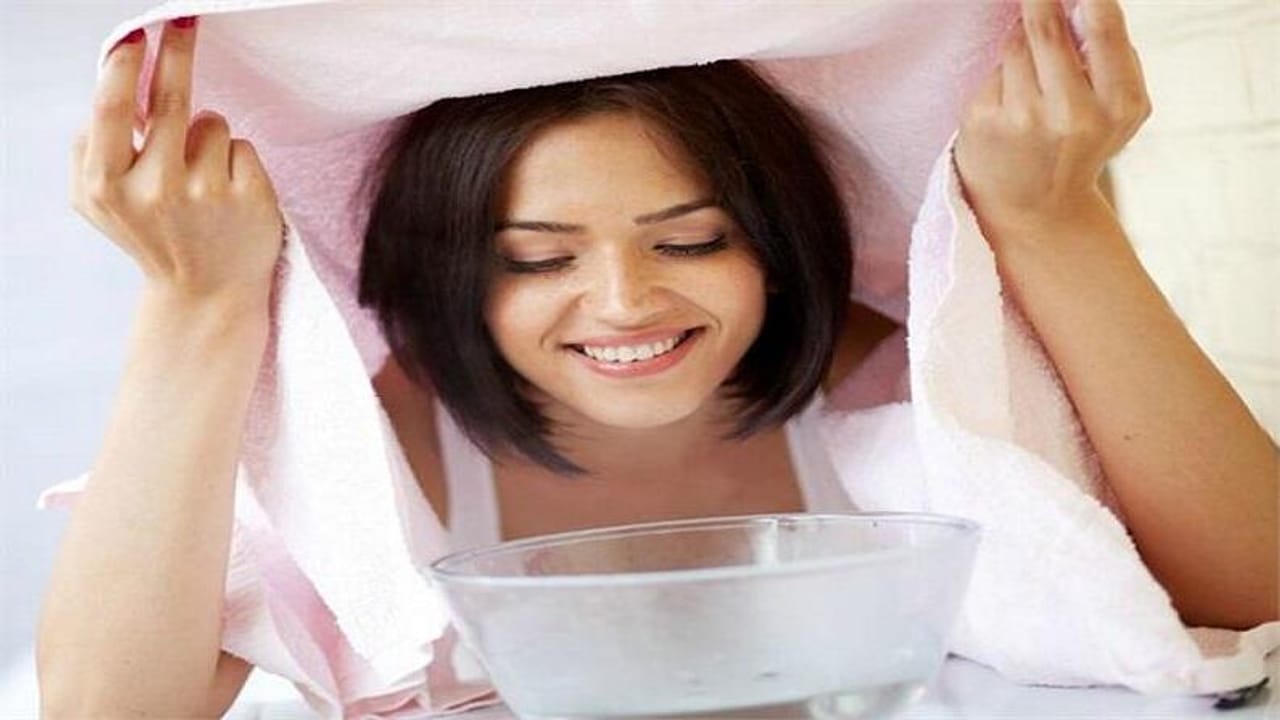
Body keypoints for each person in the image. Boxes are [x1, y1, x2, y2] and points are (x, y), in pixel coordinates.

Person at [36, 1, 1276, 716]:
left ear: (779, 243)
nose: (624, 303)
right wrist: (198, 303)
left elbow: (1254, 584)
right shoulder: (375, 456)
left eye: (691, 240)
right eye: (536, 260)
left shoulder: (899, 383)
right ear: (448, 275)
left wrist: (1050, 219)